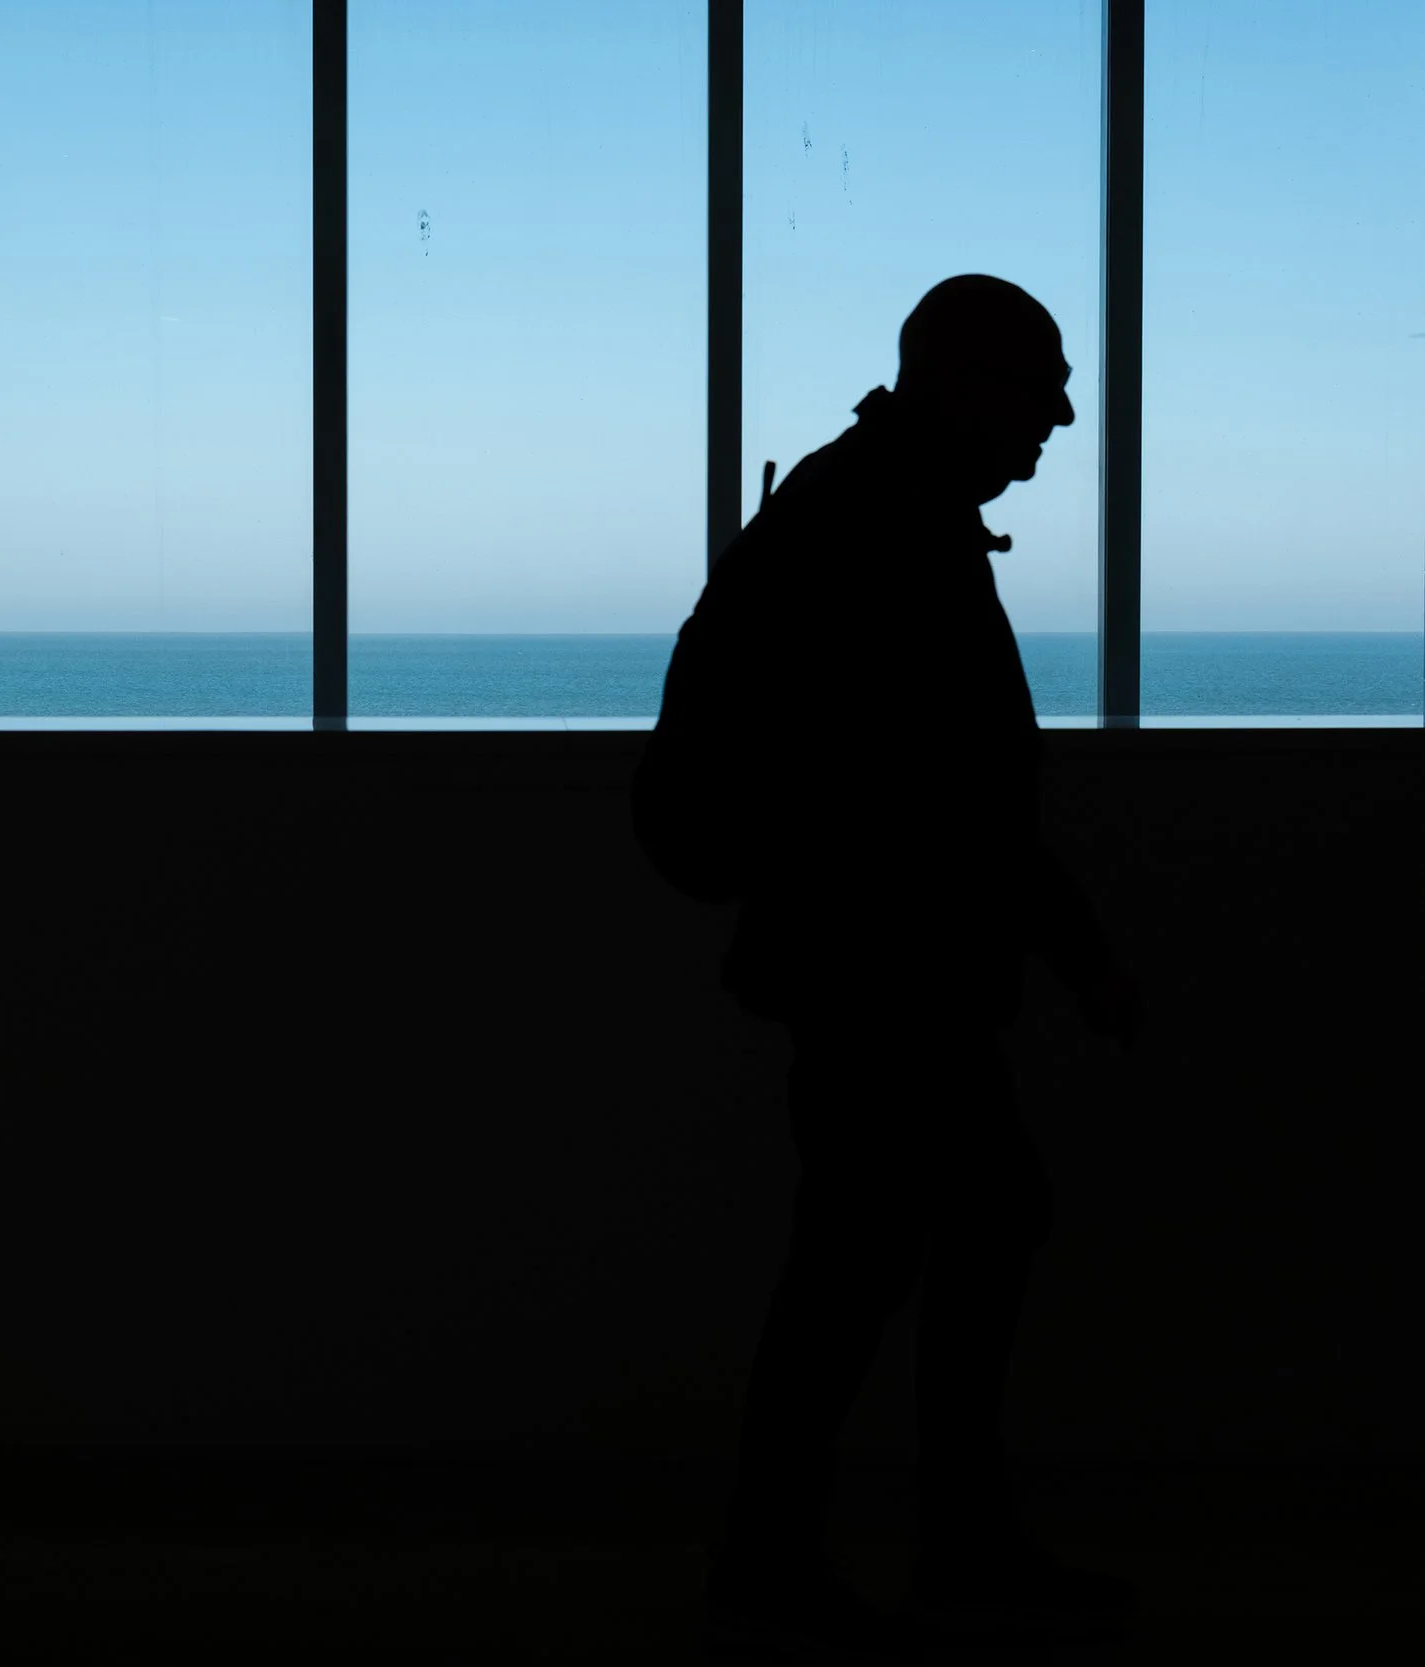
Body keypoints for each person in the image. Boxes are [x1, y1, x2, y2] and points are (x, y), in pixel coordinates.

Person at [646, 275, 1147, 1664]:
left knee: (911, 1239)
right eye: (1036, 381)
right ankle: (831, 1555)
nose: (1057, 412)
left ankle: (875, 1548)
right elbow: (955, 791)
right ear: (959, 382)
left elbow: (946, 788)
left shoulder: (871, 506)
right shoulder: (889, 527)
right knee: (894, 1245)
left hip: (875, 966)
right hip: (887, 975)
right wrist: (1081, 953)